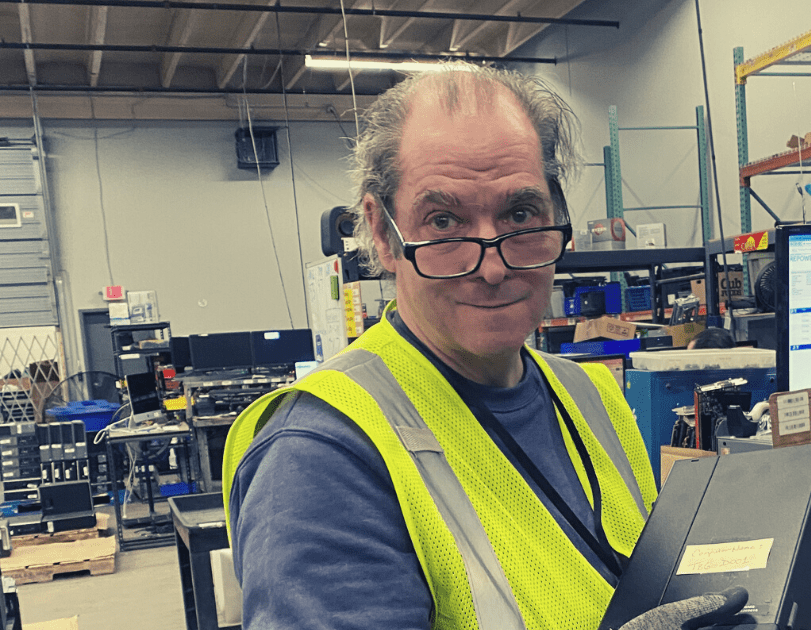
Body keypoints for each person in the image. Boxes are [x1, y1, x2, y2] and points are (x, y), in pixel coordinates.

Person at [222, 64, 745, 630]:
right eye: (444, 222)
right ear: (381, 232)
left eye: (520, 215)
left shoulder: (593, 396)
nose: (492, 268)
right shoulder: (321, 455)